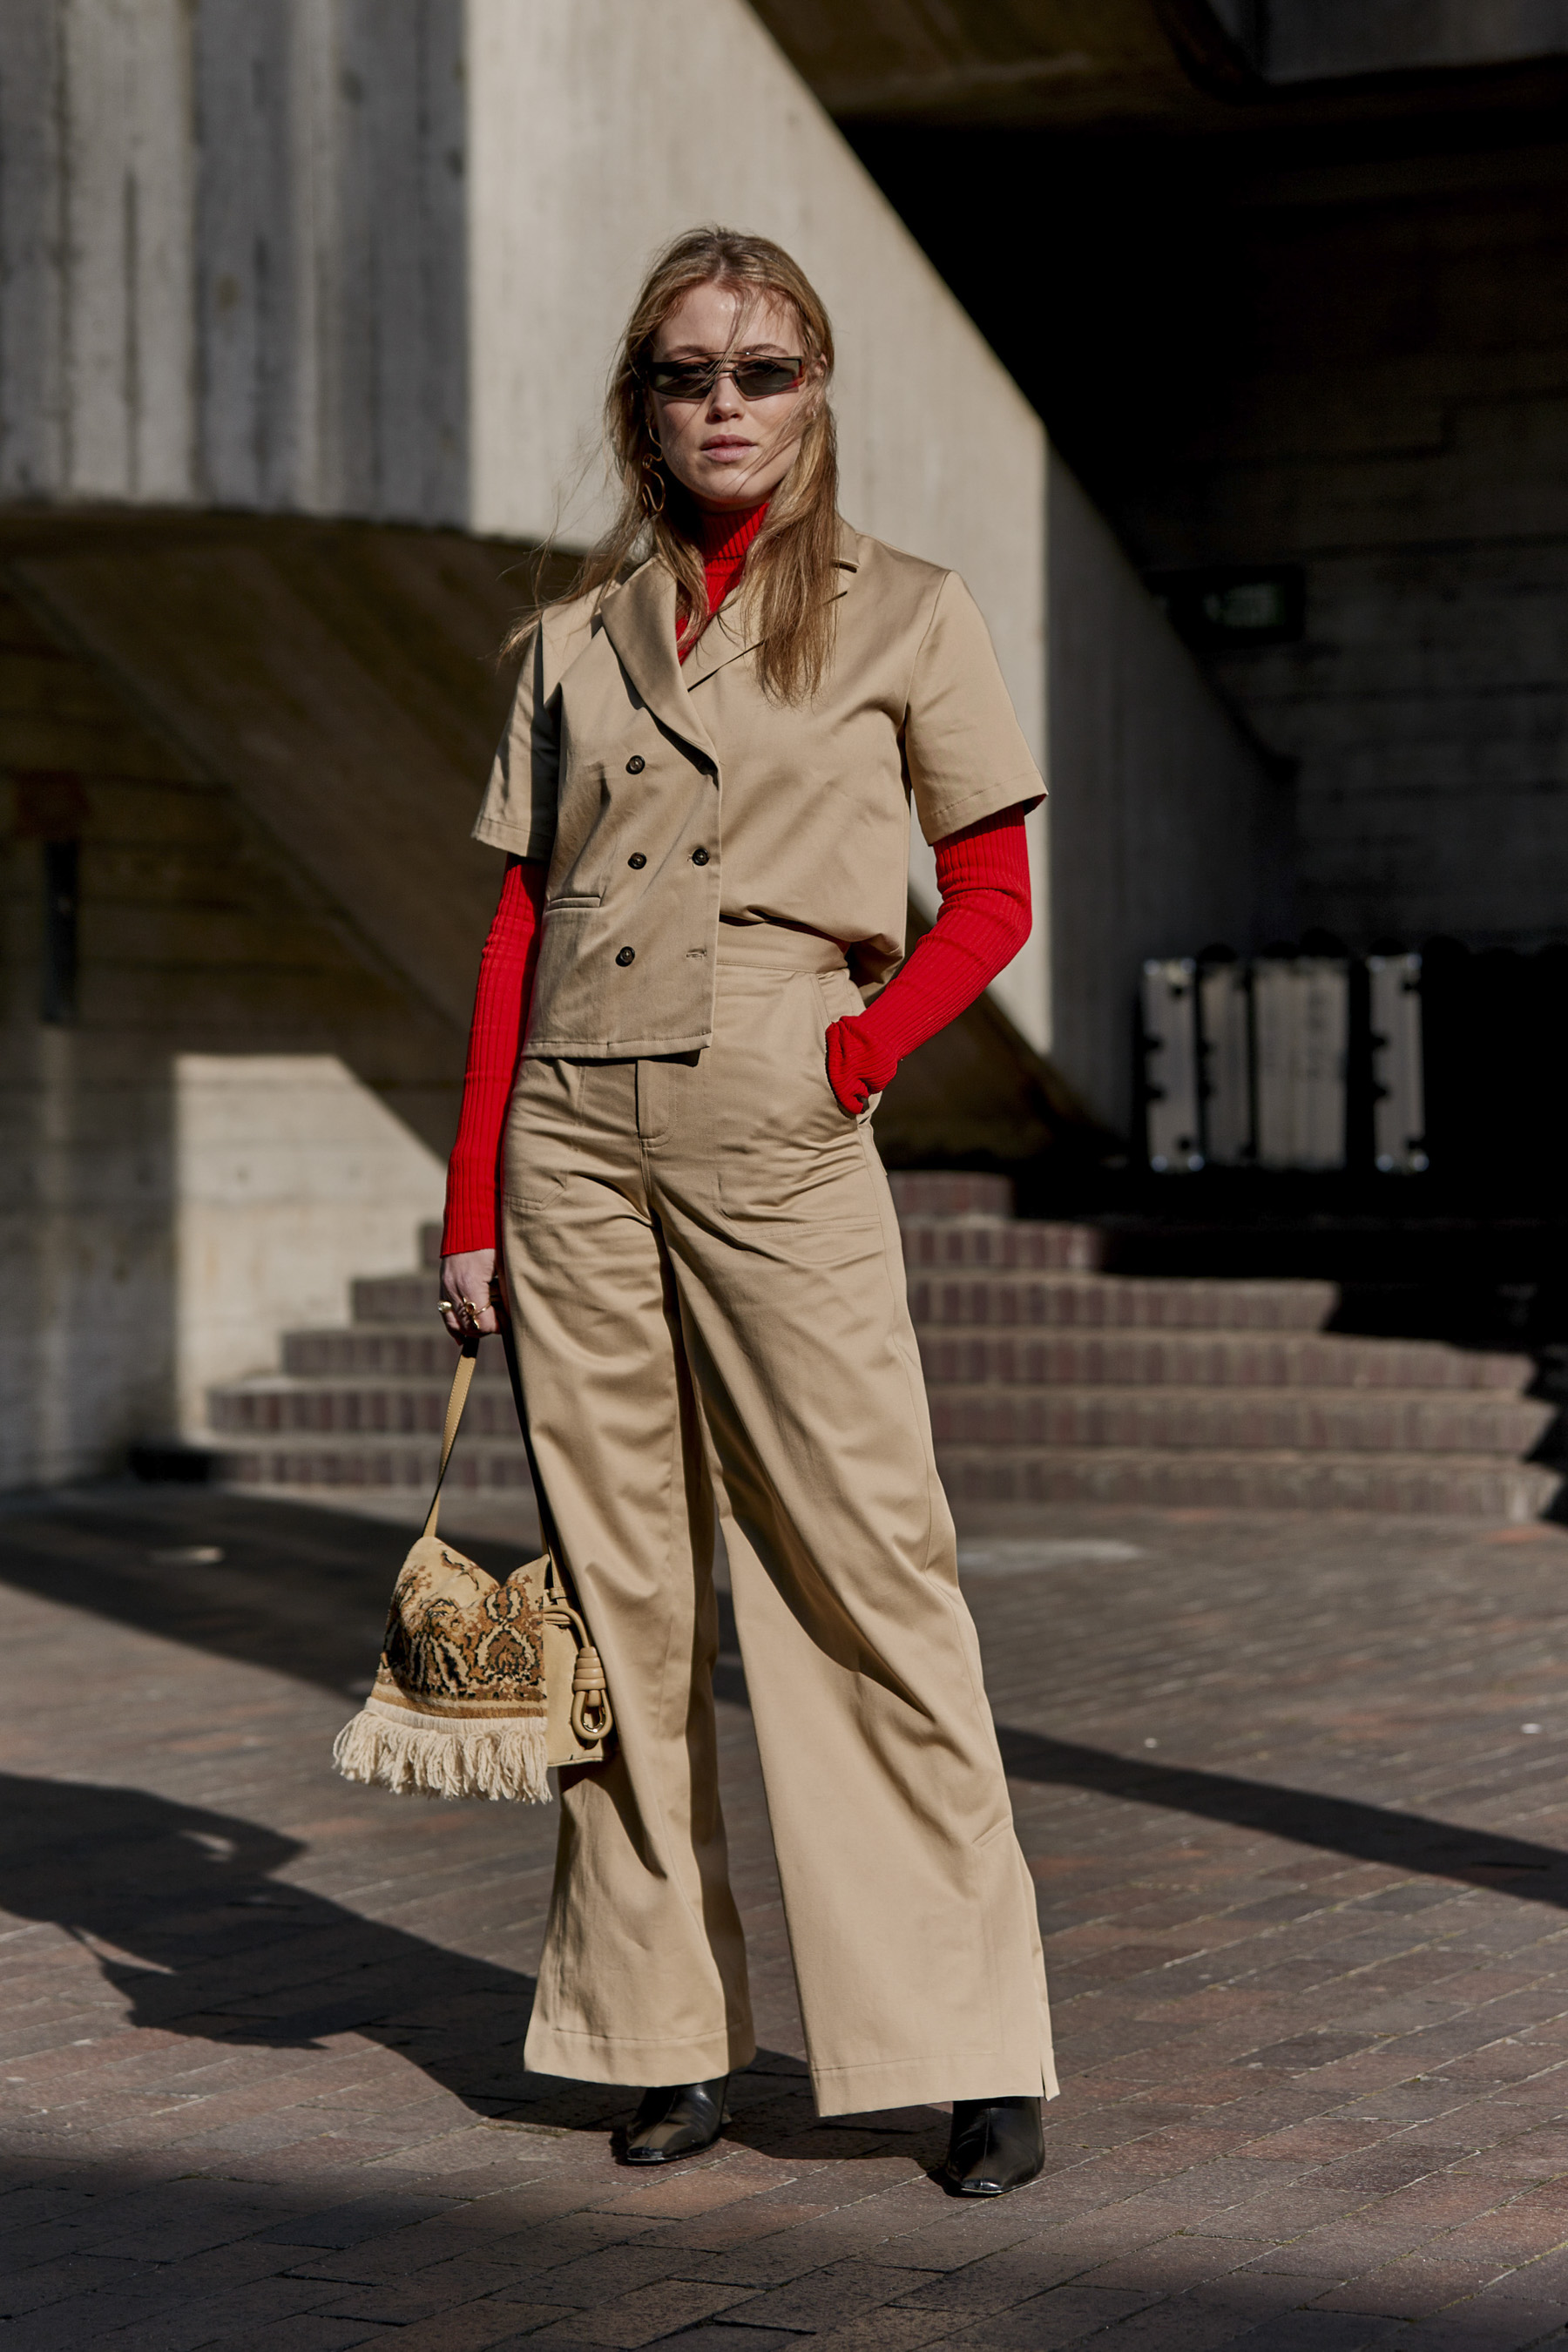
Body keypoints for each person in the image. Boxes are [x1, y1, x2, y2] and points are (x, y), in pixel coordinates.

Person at [437, 227, 1057, 2196]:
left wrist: (856, 1057)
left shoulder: (912, 614)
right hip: (571, 1146)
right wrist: (474, 1207)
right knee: (616, 1604)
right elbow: (519, 926)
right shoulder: (568, 639)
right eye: (689, 374)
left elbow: (993, 898)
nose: (727, 403)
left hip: (782, 1121)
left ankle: (965, 2045)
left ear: (818, 393)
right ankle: (660, 2034)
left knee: (870, 1568)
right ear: (642, 406)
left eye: (764, 370)